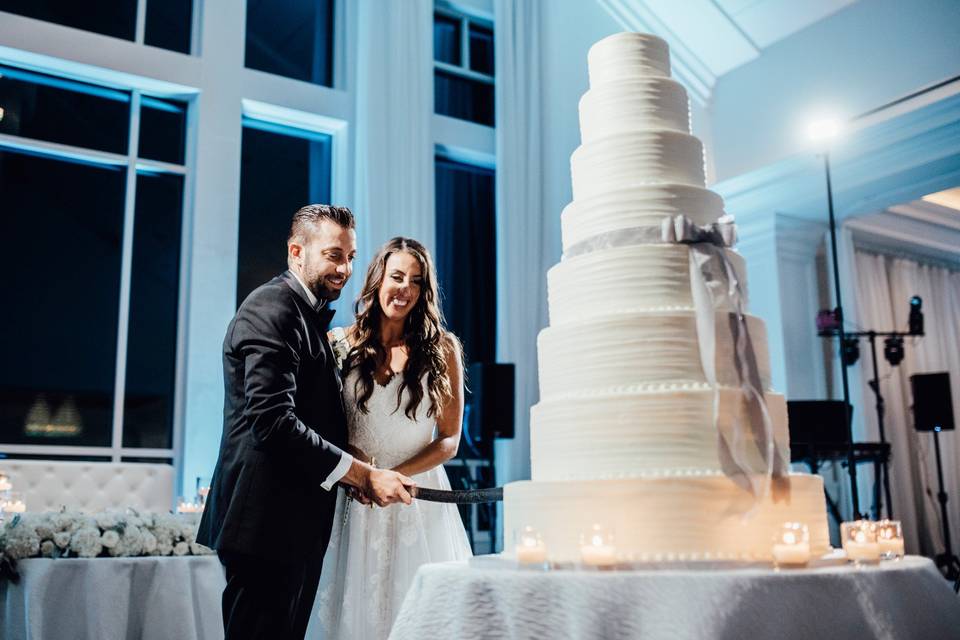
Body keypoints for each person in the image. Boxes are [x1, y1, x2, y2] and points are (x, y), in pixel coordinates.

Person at [197, 205, 416, 640]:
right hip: (264, 525)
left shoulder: (305, 310)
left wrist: (349, 464)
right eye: (334, 255)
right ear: (297, 251)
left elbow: (311, 415)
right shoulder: (271, 307)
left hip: (291, 524)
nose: (346, 269)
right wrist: (362, 474)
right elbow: (273, 421)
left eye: (351, 257)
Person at [311, 237, 472, 640]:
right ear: (377, 278)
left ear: (424, 291)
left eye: (415, 281)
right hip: (353, 495)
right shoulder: (339, 343)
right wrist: (361, 471)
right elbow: (322, 425)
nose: (404, 289)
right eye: (397, 276)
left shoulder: (443, 349)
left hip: (415, 497)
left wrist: (391, 478)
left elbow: (449, 439)